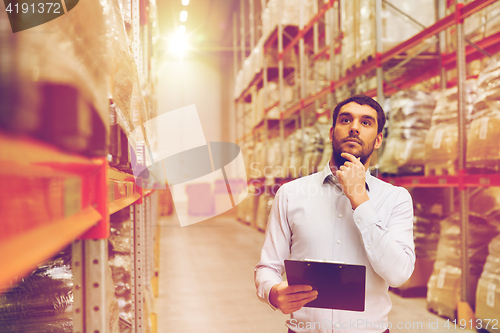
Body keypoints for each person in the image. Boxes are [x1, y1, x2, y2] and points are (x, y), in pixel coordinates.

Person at [254, 94, 415, 333]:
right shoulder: (290, 194)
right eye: (346, 120)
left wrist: (360, 199)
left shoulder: (395, 199)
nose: (354, 128)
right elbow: (267, 267)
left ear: (379, 139)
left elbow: (399, 274)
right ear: (332, 133)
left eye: (366, 122)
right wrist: (273, 292)